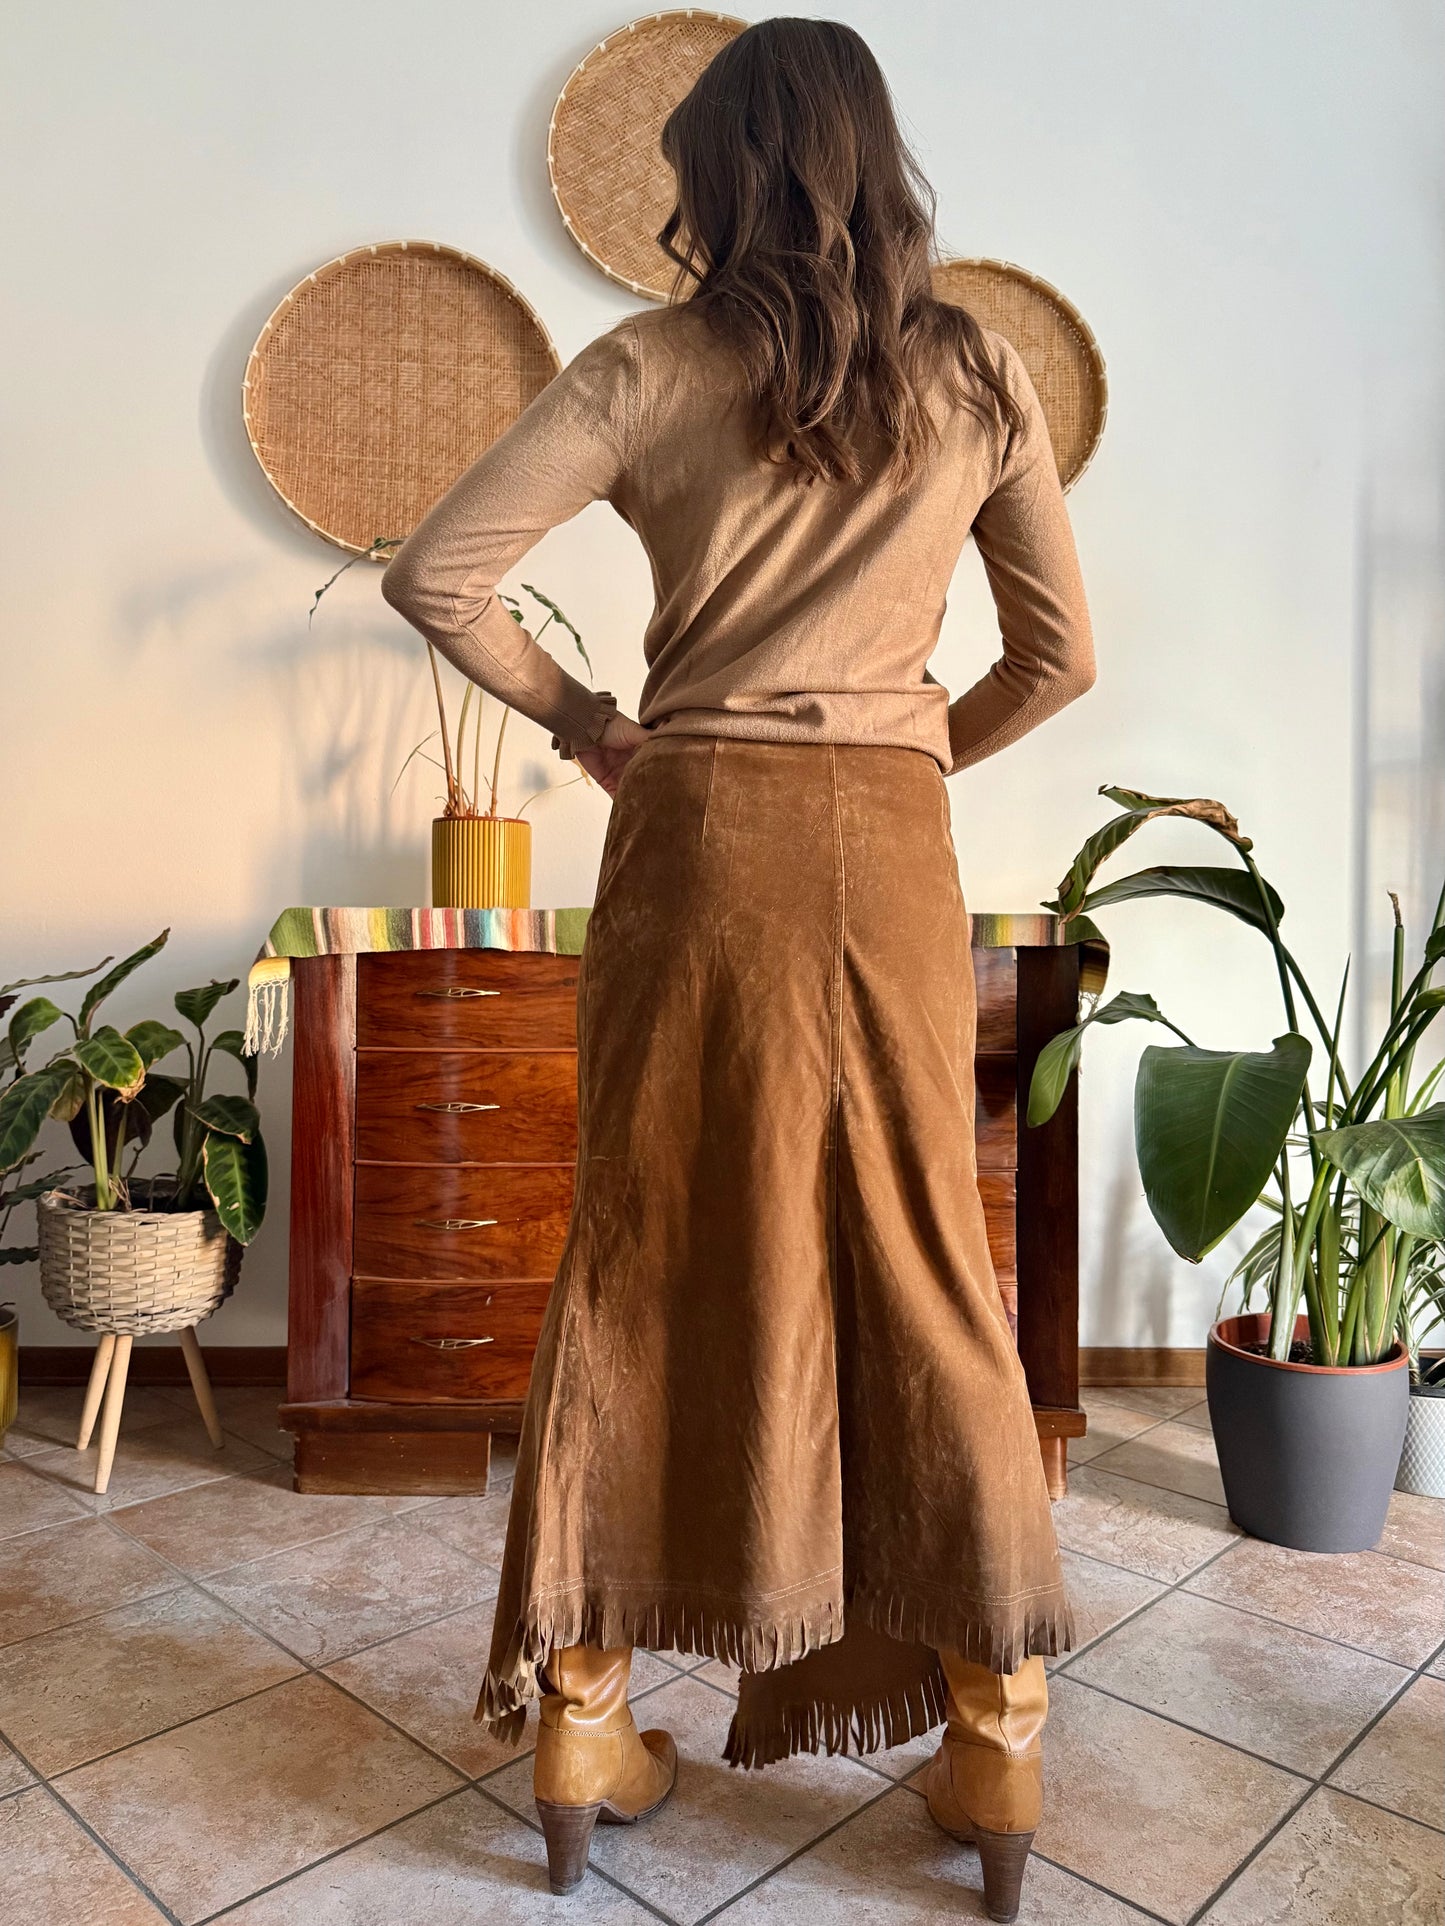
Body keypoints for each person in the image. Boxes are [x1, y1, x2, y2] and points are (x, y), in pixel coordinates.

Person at [381, 18, 1094, 1920]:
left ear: (726, 178)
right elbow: (1058, 660)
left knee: (648, 1237)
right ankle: (995, 1723)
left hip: (688, 834)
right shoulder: (976, 373)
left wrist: (600, 727)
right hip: (886, 844)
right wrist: (913, 739)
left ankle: (584, 1716)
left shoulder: (649, 363)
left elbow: (439, 571)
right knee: (922, 1250)